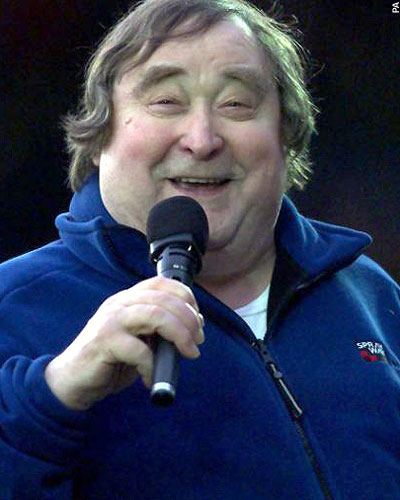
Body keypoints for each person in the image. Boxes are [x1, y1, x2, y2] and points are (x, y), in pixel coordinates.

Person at [1, 0, 399, 498]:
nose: (203, 139)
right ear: (100, 133)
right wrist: (48, 400)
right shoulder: (12, 307)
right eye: (167, 100)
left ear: (287, 137)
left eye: (236, 104)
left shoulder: (371, 296)